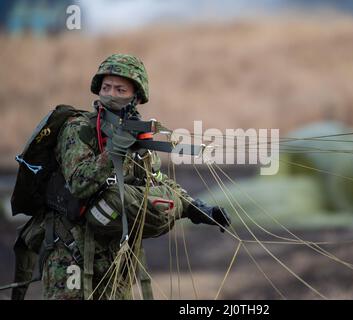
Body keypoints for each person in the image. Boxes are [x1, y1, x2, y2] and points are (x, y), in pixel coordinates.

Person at [25, 53, 230, 300]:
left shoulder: (137, 138)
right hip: (70, 253)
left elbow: (154, 181)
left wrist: (195, 208)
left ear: (136, 97)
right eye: (106, 87)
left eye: (120, 89)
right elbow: (79, 183)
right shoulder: (78, 129)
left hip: (116, 257)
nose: (111, 94)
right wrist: (113, 152)